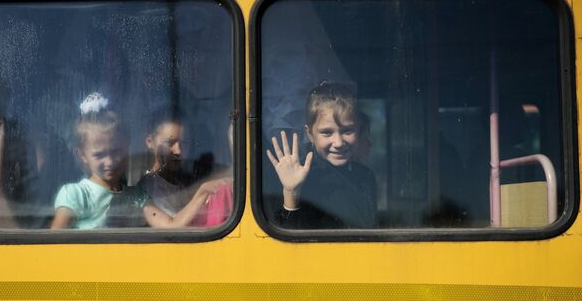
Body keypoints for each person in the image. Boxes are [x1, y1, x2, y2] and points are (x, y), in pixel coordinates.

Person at [52, 93, 225, 230]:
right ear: (82, 154)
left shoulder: (137, 196)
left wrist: (203, 192)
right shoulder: (76, 195)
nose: (110, 161)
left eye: (116, 152)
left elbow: (171, 226)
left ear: (127, 147)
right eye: (99, 155)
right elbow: (53, 246)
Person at [265, 82, 376, 229]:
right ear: (310, 133)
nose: (338, 142)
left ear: (359, 129)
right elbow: (286, 240)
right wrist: (291, 192)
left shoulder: (365, 176)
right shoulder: (298, 175)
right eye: (326, 132)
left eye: (347, 131)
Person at [137, 105, 230, 228]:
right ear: (150, 142)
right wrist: (203, 192)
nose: (178, 151)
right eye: (170, 143)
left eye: (184, 142)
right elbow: (171, 228)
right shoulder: (146, 187)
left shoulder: (181, 182)